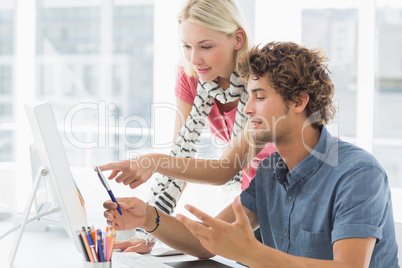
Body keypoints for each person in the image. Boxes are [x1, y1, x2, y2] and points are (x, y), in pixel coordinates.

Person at [103, 41, 400, 266]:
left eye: (259, 96)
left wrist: (252, 253)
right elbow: (205, 242)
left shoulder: (359, 173)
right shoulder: (270, 170)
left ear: (299, 101)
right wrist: (147, 216)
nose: (246, 108)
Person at [98, 0, 275, 253]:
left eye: (206, 46)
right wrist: (148, 233)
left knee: (216, 246)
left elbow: (224, 169)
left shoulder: (260, 81)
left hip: (283, 179)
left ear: (237, 39)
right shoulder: (190, 75)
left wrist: (153, 161)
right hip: (254, 188)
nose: (195, 58)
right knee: (209, 245)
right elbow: (180, 156)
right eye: (187, 46)